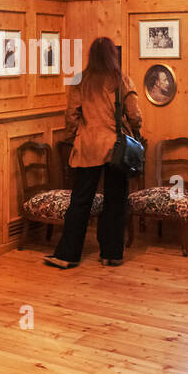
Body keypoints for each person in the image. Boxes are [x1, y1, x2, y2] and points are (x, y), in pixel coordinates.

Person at [45, 37, 142, 269]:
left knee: (80, 200)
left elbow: (71, 116)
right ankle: (112, 254)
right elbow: (134, 114)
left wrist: (75, 136)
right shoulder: (122, 80)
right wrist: (135, 131)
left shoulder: (80, 79)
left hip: (87, 146)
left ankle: (67, 256)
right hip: (115, 148)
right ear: (112, 55)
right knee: (115, 200)